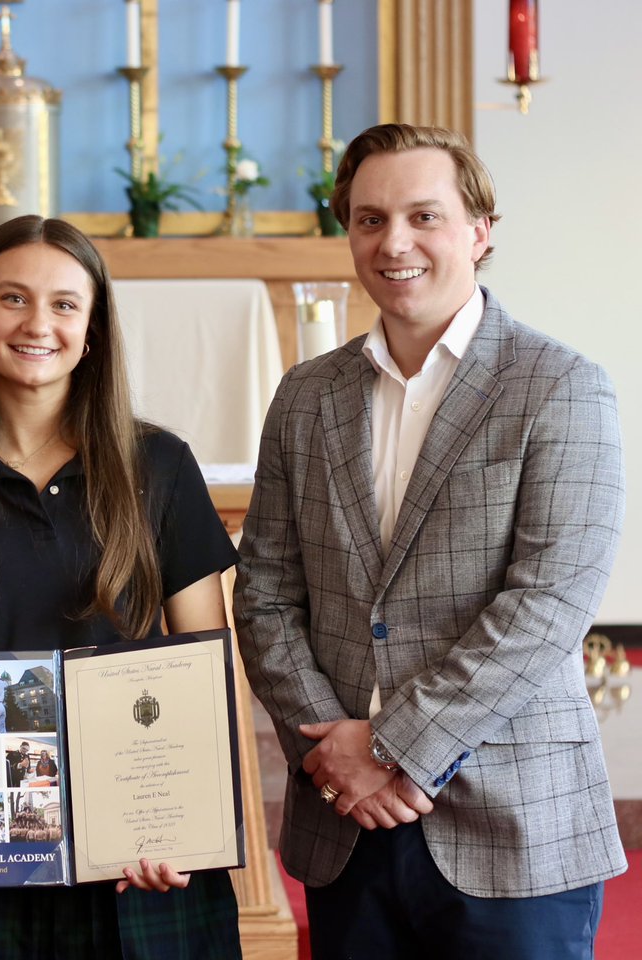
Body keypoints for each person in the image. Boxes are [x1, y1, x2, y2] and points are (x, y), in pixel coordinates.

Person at [233, 123, 626, 960]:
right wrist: (335, 756)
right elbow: (264, 592)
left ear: (479, 230)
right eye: (370, 219)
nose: (394, 242)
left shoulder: (560, 385)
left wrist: (389, 746)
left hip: (514, 820)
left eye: (423, 216)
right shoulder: (305, 396)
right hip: (347, 825)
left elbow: (547, 606)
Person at [0, 215, 242, 959]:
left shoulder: (158, 468)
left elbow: (205, 665)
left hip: (135, 864)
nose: (39, 323)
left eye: (65, 303)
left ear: (93, 328)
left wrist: (181, 821)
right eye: (12, 298)